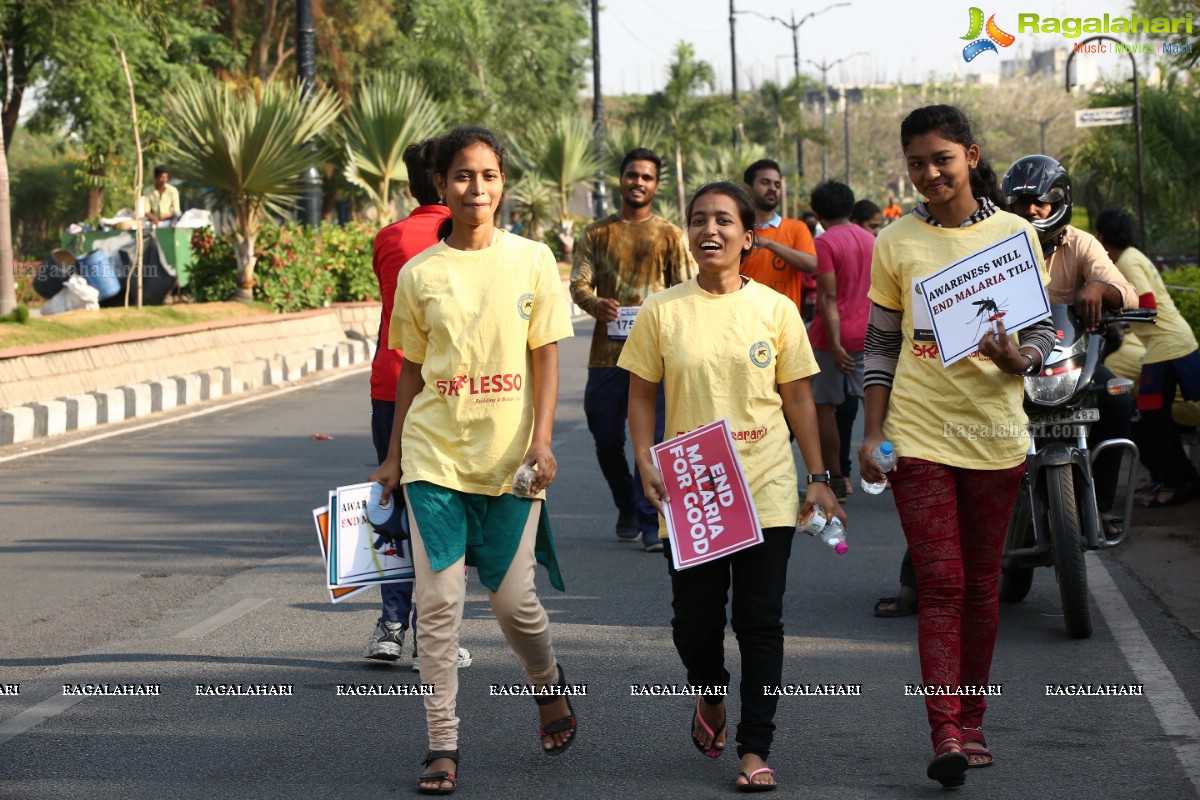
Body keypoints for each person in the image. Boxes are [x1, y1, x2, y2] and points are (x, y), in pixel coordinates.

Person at [369, 126, 577, 795]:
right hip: (436, 459)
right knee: (438, 603)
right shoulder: (420, 273)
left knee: (515, 602)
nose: (475, 188)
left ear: (502, 183)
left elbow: (546, 356)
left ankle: (546, 682)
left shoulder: (533, 261)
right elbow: (411, 372)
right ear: (442, 186)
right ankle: (442, 741)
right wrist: (395, 455)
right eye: (463, 176)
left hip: (511, 460)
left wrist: (542, 442)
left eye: (487, 175)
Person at [621, 181, 843, 793]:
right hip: (692, 486)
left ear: (749, 236)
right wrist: (644, 457)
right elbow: (641, 394)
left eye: (723, 221)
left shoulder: (774, 310)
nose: (709, 231)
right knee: (694, 625)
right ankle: (711, 697)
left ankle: (755, 748)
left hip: (766, 482)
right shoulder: (663, 309)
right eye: (698, 220)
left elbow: (798, 397)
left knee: (759, 619)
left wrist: (819, 477)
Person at [859, 104, 1056, 788]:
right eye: (917, 163)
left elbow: (1042, 335)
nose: (929, 173)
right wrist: (873, 431)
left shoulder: (1015, 236)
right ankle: (944, 729)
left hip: (996, 437)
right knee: (941, 585)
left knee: (982, 587)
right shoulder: (896, 242)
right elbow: (881, 342)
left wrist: (1020, 362)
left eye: (941, 159)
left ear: (971, 156)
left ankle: (973, 719)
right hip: (919, 436)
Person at [364, 138, 471, 672]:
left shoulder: (388, 238)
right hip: (451, 390)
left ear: (410, 185)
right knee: (444, 513)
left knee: (394, 509)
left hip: (389, 385)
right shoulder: (468, 242)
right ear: (446, 181)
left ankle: (390, 626)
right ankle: (442, 632)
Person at [1003, 154, 1139, 534]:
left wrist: (1099, 288)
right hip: (1011, 363)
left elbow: (1127, 292)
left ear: (1059, 202)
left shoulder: (1082, 244)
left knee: (1117, 400)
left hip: (1071, 361)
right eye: (1020, 204)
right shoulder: (995, 246)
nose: (1030, 211)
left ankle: (1102, 505)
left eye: (1040, 202)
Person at [570, 148, 695, 552]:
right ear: (620, 180)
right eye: (632, 175)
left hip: (657, 358)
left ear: (656, 184)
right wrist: (596, 305)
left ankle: (648, 519)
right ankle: (626, 501)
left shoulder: (670, 235)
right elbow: (579, 284)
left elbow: (686, 290)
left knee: (653, 440)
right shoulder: (596, 234)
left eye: (646, 177)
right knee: (605, 439)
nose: (638, 182)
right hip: (607, 356)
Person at [1094, 208, 1200, 507]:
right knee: (1151, 419)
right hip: (1167, 346)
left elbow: (1148, 305)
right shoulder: (1133, 256)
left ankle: (1181, 482)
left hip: (1168, 348)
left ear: (1101, 238)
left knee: (1152, 419)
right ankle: (1175, 479)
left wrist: (1110, 315)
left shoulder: (1127, 261)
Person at [808, 181, 876, 502]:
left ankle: (836, 480)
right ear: (851, 209)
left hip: (831, 338)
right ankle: (890, 469)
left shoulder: (824, 243)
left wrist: (835, 344)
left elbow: (828, 296)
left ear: (819, 214)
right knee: (878, 408)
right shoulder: (872, 240)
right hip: (871, 334)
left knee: (825, 409)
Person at [740, 159, 818, 321]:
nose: (772, 189)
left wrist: (769, 244)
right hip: (744, 320)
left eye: (776, 185)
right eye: (765, 182)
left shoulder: (797, 228)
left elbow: (811, 265)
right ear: (747, 188)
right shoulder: (736, 229)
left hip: (785, 323)